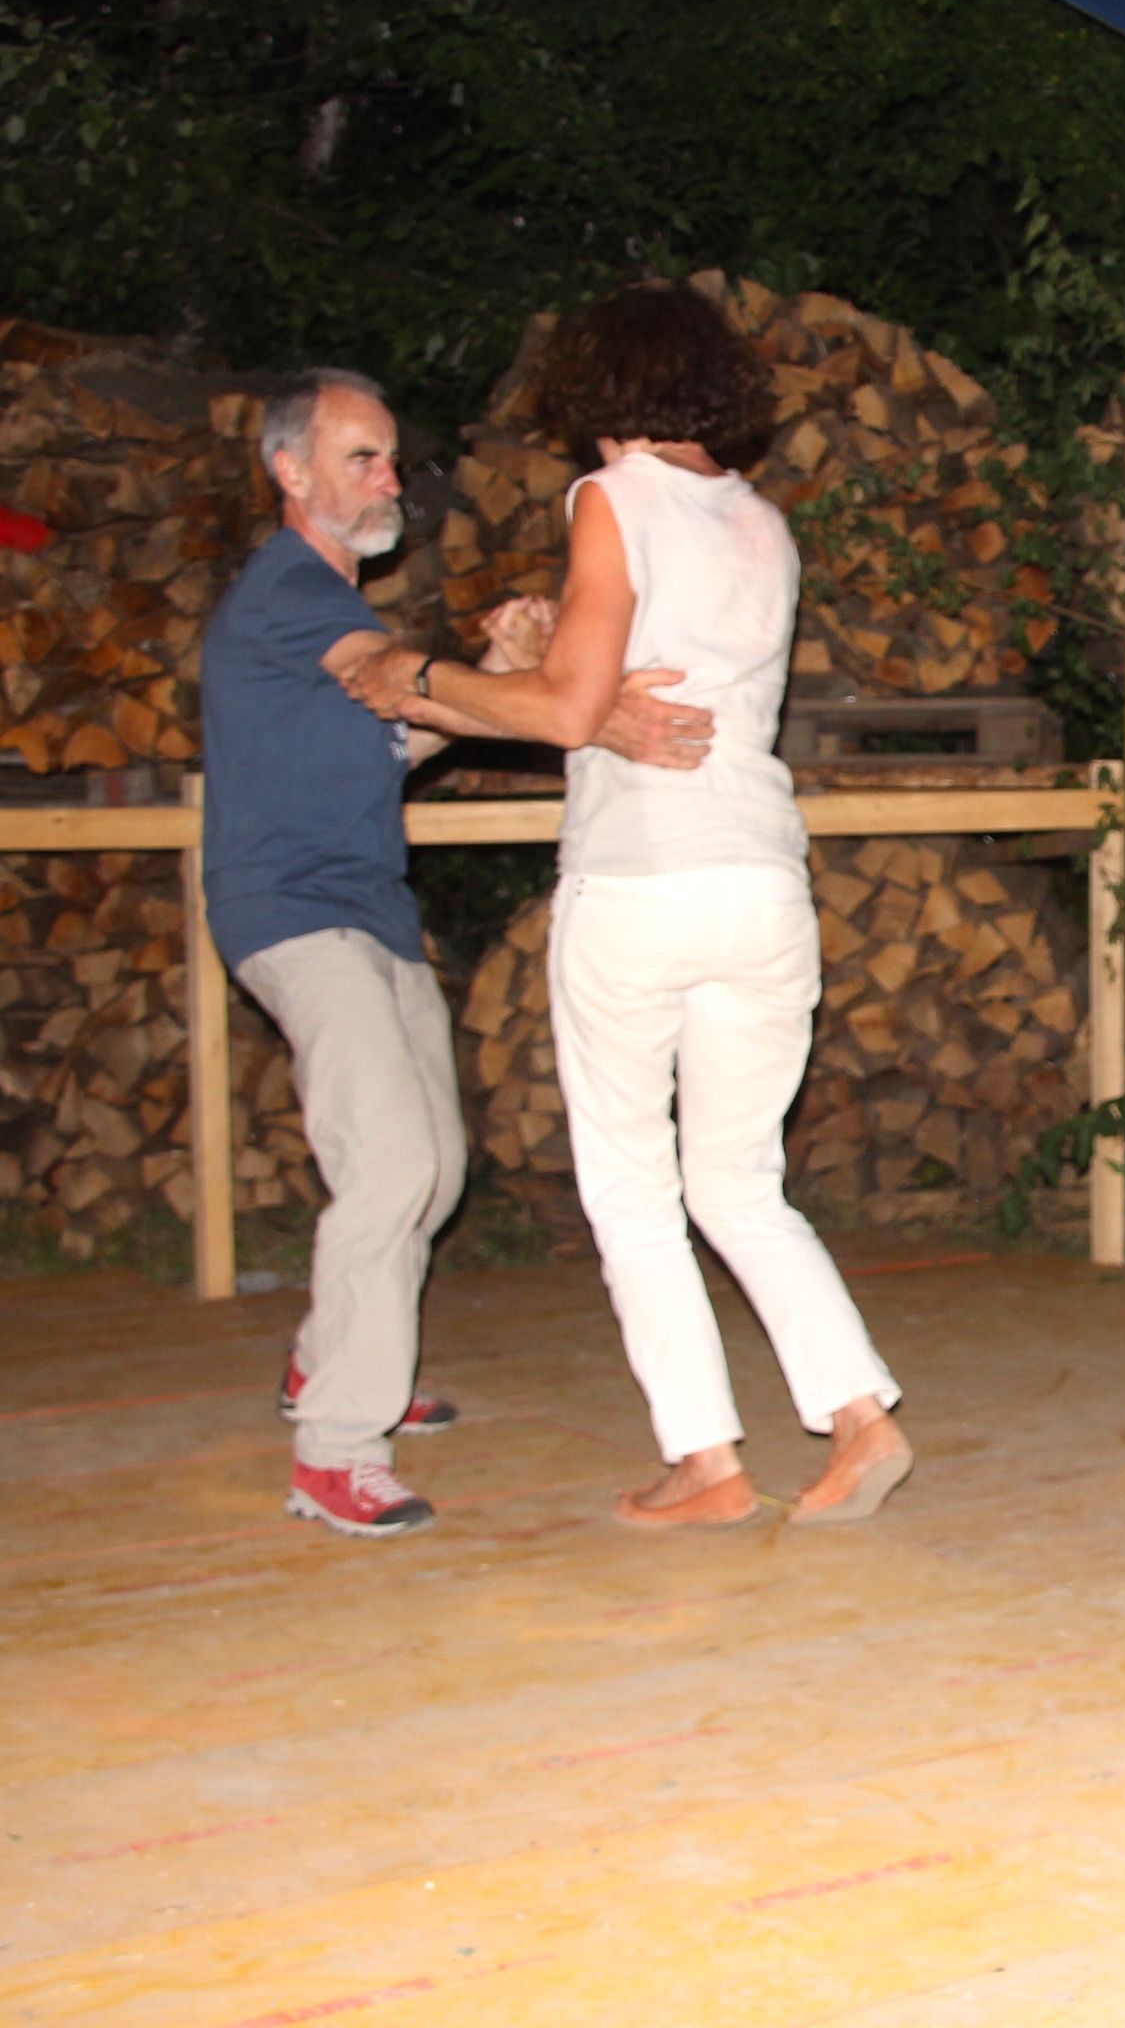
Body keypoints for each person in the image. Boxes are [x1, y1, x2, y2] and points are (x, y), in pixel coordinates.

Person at [339, 286, 914, 1532]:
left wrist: (414, 676)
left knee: (633, 1190)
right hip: (760, 877)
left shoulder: (611, 496)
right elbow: (636, 673)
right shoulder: (761, 521)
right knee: (741, 1182)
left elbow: (564, 710)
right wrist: (561, 652)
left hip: (642, 879)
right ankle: (861, 1416)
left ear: (597, 389)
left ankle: (706, 1460)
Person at [200, 367, 705, 1537]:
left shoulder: (331, 620)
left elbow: (401, 734)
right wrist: (566, 698)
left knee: (432, 1167)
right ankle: (337, 1449)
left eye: (390, 457)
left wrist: (519, 680)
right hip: (292, 912)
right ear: (290, 472)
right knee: (388, 1168)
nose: (390, 478)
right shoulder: (291, 591)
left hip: (368, 909)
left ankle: (328, 1357)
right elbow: (417, 694)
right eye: (360, 458)